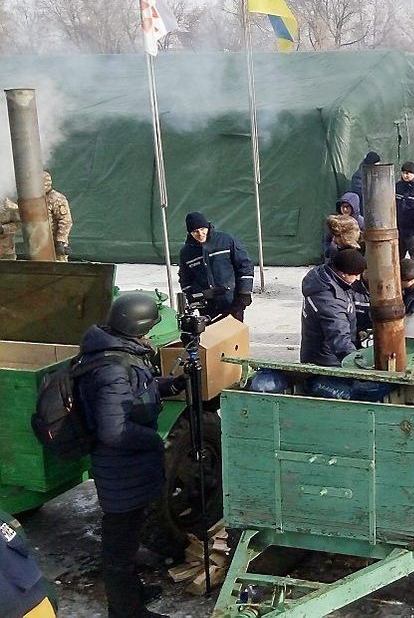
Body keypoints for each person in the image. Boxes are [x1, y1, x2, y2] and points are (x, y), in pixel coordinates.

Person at [78, 293, 187, 618]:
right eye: (150, 327)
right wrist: (155, 440)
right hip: (120, 470)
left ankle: (132, 593)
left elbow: (136, 388)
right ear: (135, 327)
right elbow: (114, 430)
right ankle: (125, 610)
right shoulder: (111, 368)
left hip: (129, 468)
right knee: (120, 545)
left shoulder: (117, 352)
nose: (152, 334)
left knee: (129, 534)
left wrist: (167, 385)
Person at [178, 212, 254, 321]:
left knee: (234, 335)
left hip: (232, 302)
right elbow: (185, 278)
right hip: (208, 306)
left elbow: (245, 266)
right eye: (195, 231)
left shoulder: (226, 241)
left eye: (203, 229)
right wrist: (193, 296)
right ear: (190, 233)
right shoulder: (186, 252)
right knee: (212, 336)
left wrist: (244, 292)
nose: (200, 234)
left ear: (208, 226)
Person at [300, 248, 367, 366]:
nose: (358, 278)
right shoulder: (330, 299)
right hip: (328, 362)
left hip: (320, 353)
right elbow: (339, 337)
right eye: (355, 275)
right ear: (343, 273)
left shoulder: (325, 276)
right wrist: (356, 364)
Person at [43, 171, 72, 262]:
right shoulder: (39, 198)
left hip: (56, 243)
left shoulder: (56, 198)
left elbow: (66, 221)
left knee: (59, 270)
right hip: (42, 242)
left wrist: (60, 241)